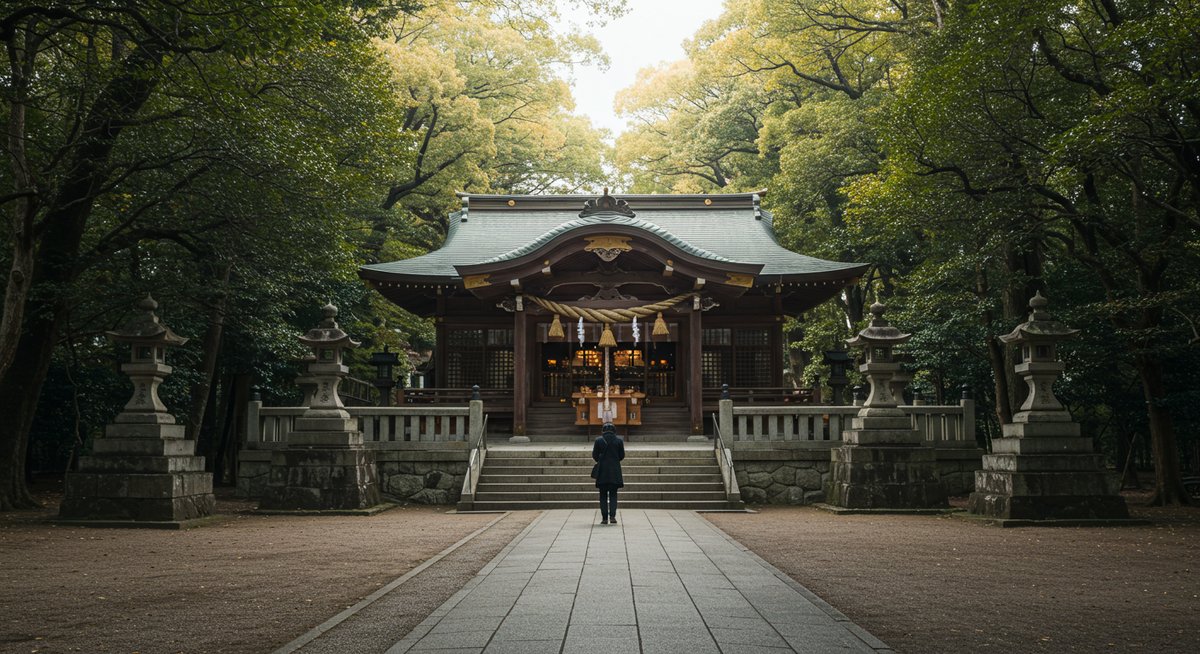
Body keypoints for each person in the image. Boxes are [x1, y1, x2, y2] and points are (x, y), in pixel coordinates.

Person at [592, 422, 625, 524]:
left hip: (602, 471)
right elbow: (622, 456)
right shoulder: (619, 441)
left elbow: (594, 455)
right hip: (614, 471)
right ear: (614, 430)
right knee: (613, 495)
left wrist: (601, 460)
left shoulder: (598, 440)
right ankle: (613, 517)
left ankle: (604, 518)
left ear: (603, 430)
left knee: (602, 495)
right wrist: (614, 460)